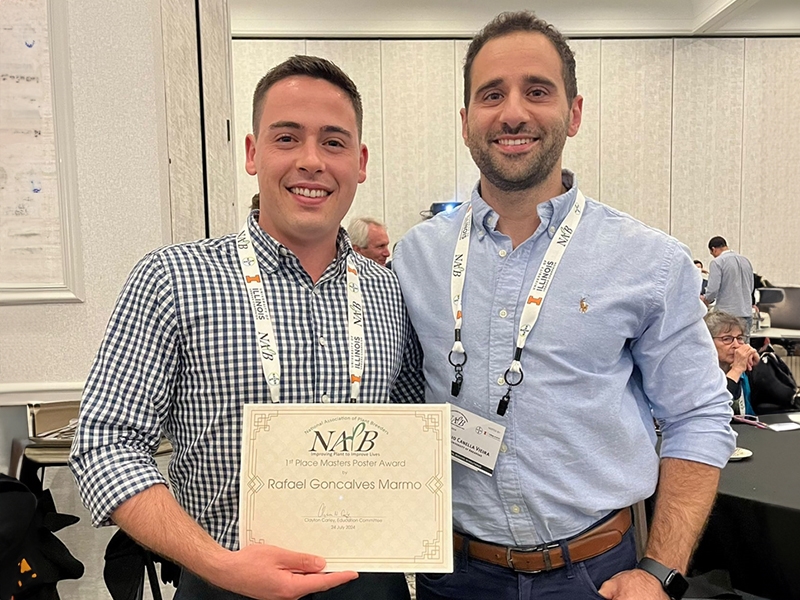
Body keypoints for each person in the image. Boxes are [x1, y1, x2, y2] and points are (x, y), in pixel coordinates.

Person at [392, 11, 736, 600]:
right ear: (466, 121)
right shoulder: (414, 258)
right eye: (491, 94)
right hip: (453, 576)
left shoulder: (648, 261)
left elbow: (699, 417)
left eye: (538, 91)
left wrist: (660, 572)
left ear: (574, 113)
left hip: (598, 576)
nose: (513, 112)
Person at [69, 55, 422, 600]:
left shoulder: (388, 292)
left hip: (369, 581)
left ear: (360, 160)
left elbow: (412, 432)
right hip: (223, 581)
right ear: (254, 153)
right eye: (287, 138)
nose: (311, 161)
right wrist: (218, 564)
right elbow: (104, 444)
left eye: (333, 142)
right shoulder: (171, 278)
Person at [704, 311, 759, 416]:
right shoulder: (701, 373)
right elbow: (717, 407)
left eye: (739, 338)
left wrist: (759, 366)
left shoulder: (746, 369)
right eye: (727, 339)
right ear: (708, 342)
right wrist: (736, 370)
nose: (736, 345)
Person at [703, 236, 755, 341]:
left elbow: (713, 290)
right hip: (746, 313)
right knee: (743, 348)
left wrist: (706, 299)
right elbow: (751, 286)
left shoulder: (717, 262)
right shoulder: (746, 261)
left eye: (712, 253)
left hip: (727, 316)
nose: (713, 256)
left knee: (726, 348)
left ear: (714, 249)